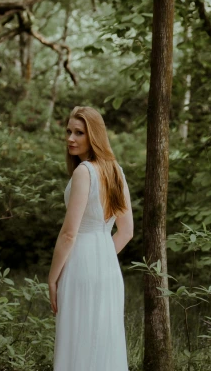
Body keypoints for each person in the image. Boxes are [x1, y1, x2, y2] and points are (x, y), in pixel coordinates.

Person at [49, 105, 133, 371]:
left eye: (79, 133)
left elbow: (69, 233)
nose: (70, 138)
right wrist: (103, 256)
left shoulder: (84, 172)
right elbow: (126, 231)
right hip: (108, 267)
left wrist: (53, 277)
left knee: (77, 341)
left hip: (80, 266)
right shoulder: (116, 171)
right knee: (102, 342)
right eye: (69, 131)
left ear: (94, 135)